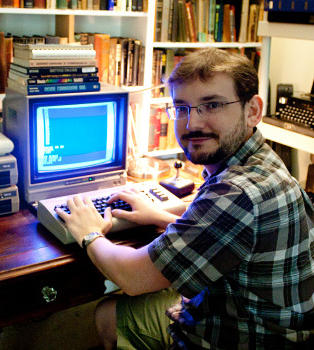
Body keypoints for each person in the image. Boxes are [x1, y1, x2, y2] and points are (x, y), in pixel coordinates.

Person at [56, 48, 314, 349]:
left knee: (107, 314)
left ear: (252, 111)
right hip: (274, 325)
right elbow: (227, 234)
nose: (192, 124)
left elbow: (131, 277)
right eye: (181, 108)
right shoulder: (262, 162)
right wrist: (158, 216)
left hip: (244, 336)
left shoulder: (237, 193)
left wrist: (89, 233)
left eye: (213, 105)